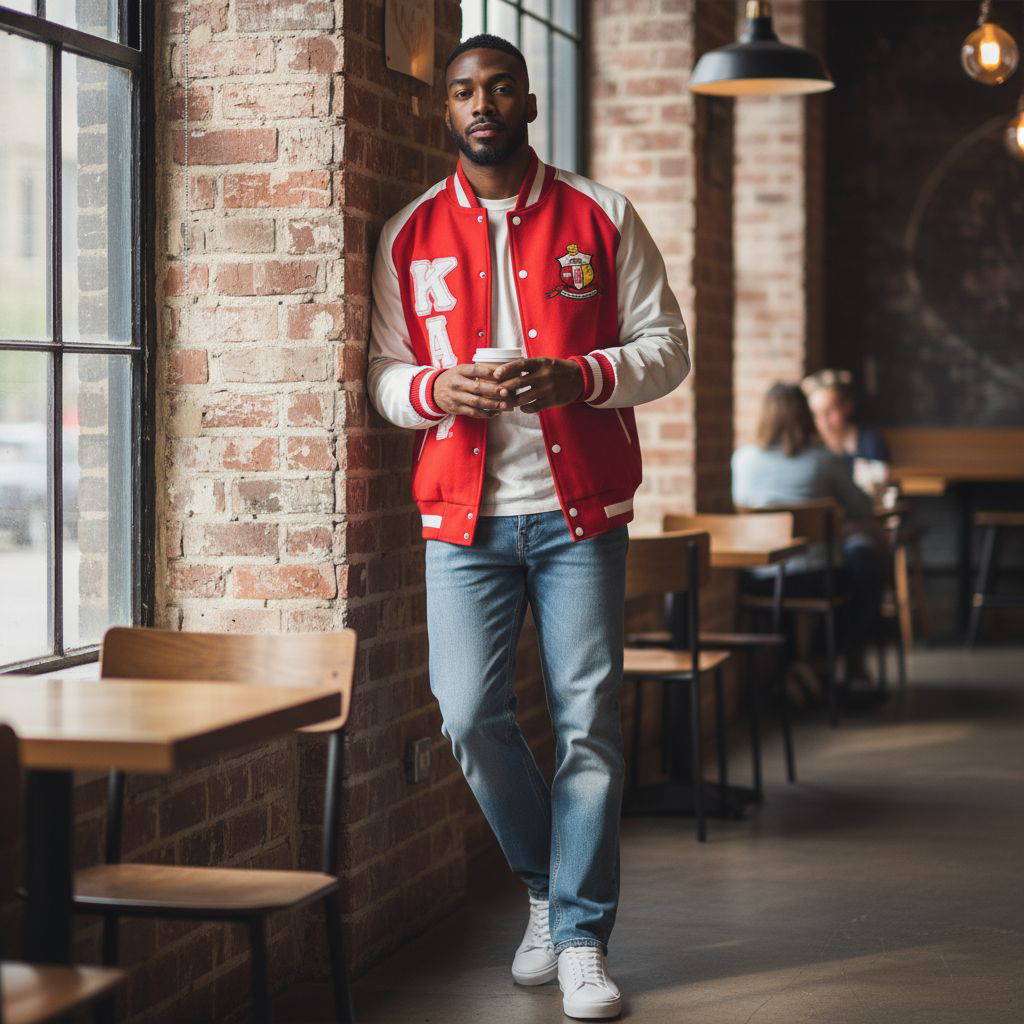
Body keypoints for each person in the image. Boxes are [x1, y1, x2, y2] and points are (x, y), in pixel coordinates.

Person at [366, 33, 689, 1021]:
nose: (481, 102)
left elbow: (666, 350)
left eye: (499, 85)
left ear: (528, 101)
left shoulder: (602, 214)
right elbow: (384, 378)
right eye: (463, 89)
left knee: (589, 720)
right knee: (467, 711)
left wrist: (578, 377)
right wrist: (437, 387)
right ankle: (547, 891)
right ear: (444, 109)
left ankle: (583, 936)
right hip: (461, 520)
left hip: (578, 513)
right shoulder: (408, 236)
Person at [732, 383, 883, 685]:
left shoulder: (742, 460)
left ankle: (794, 670)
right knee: (862, 568)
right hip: (818, 580)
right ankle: (836, 662)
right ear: (805, 416)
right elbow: (862, 508)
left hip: (760, 580)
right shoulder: (824, 460)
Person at [802, 368, 890, 498]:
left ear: (847, 407)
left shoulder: (871, 441)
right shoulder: (810, 446)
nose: (823, 421)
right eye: (816, 413)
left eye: (830, 411)